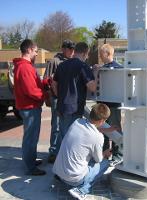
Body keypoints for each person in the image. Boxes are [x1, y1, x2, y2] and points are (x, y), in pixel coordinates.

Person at [53, 103, 112, 200]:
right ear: (102, 120)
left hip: (58, 171)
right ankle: (82, 190)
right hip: (73, 179)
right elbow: (98, 160)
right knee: (105, 163)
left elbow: (91, 128)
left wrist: (107, 130)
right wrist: (105, 153)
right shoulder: (98, 137)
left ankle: (65, 180)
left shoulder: (77, 122)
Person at [13, 39, 46, 175]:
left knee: (31, 136)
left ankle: (30, 160)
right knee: (30, 138)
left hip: (28, 107)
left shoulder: (25, 66)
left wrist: (45, 82)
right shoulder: (25, 67)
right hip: (29, 107)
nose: (37, 54)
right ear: (29, 50)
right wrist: (44, 95)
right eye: (36, 51)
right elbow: (31, 90)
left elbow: (33, 84)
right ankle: (30, 167)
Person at [52, 42, 97, 141]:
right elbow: (92, 87)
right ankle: (66, 156)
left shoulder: (62, 65)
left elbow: (54, 83)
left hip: (62, 106)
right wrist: (95, 73)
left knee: (63, 136)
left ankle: (61, 155)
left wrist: (59, 96)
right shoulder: (83, 66)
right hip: (74, 109)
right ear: (85, 53)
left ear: (75, 51)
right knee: (71, 140)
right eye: (87, 55)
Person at [43, 40, 75, 163]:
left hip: (68, 99)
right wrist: (51, 94)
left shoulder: (72, 61)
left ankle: (63, 150)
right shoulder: (54, 61)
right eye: (69, 49)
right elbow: (46, 81)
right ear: (63, 49)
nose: (72, 51)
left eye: (73, 49)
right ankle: (53, 151)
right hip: (57, 98)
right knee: (56, 125)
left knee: (67, 125)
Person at [98, 43, 123, 165]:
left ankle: (118, 155)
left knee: (115, 129)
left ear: (107, 54)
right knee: (104, 129)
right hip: (103, 104)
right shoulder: (102, 68)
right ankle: (105, 153)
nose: (100, 56)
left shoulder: (118, 69)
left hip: (113, 105)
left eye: (101, 53)